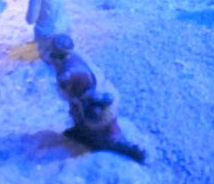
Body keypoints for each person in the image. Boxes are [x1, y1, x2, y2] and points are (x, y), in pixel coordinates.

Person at [48, 34, 145, 162]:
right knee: (86, 118)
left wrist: (77, 98)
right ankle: (90, 132)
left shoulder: (67, 74)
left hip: (95, 104)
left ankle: (117, 144)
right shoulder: (75, 57)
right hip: (97, 97)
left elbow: (68, 94)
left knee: (102, 128)